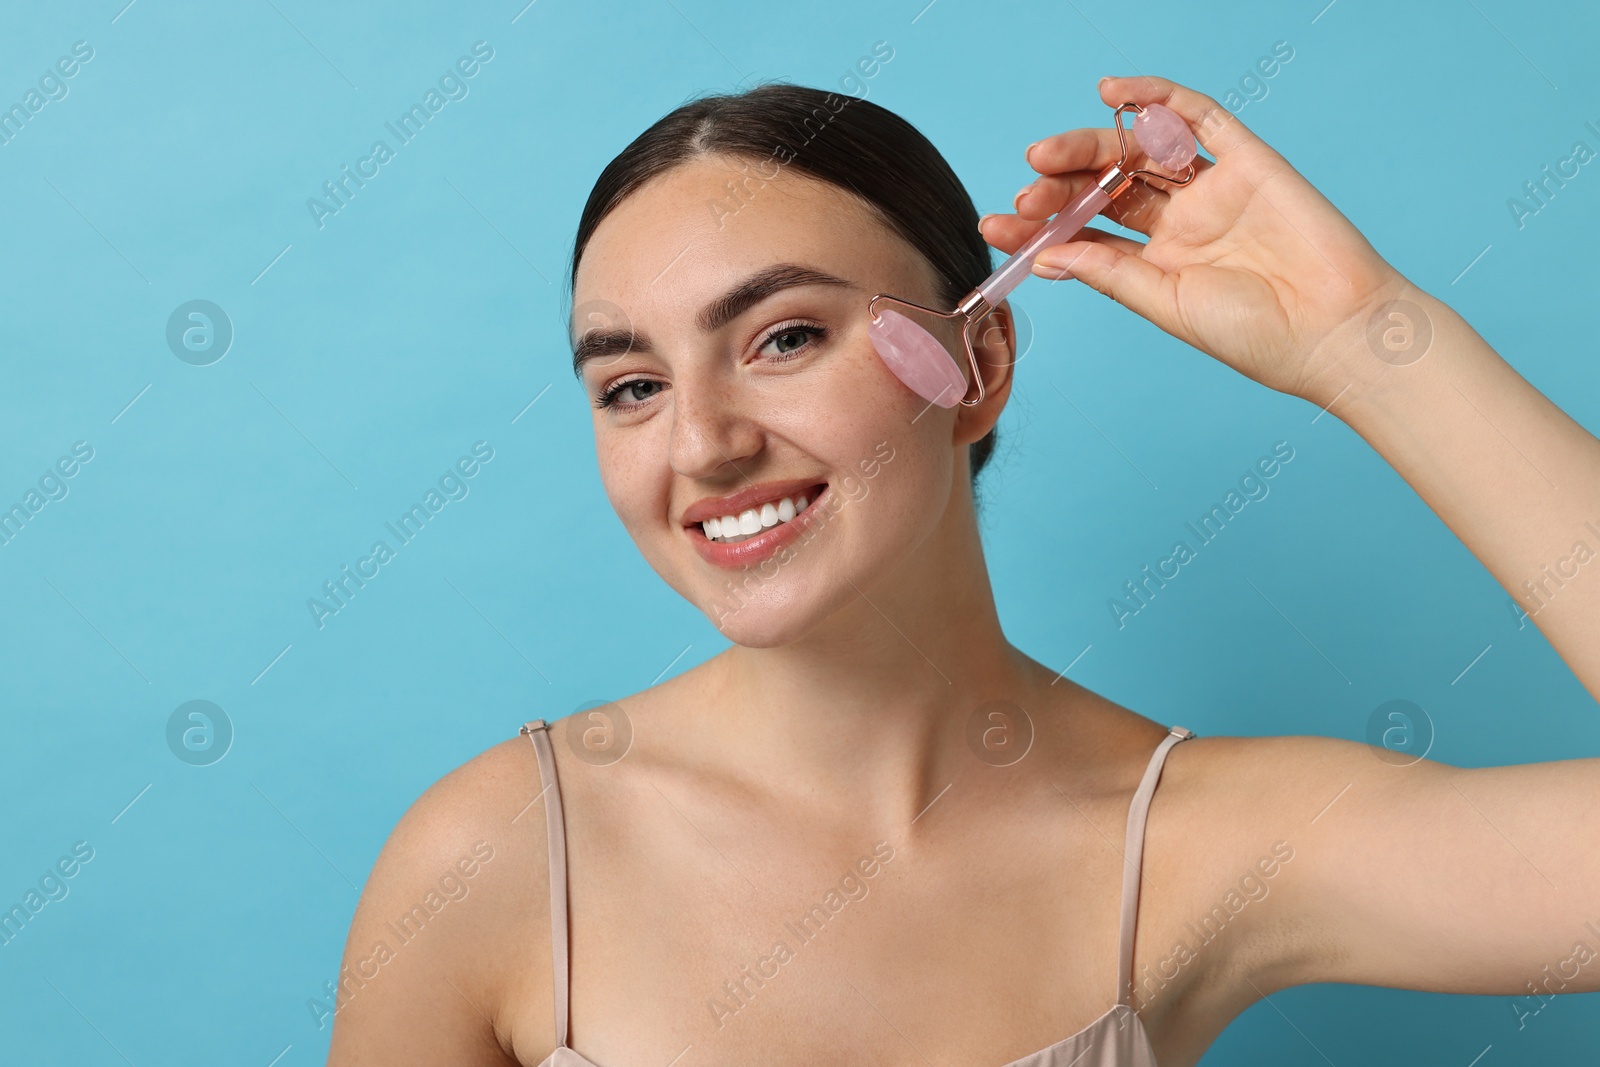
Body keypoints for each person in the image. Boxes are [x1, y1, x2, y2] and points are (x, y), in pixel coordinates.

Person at [325, 75, 1600, 1066]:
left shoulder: (1202, 842)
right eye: (633, 384)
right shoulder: (495, 853)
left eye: (783, 337)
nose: (702, 443)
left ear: (976, 365)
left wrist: (1361, 337)